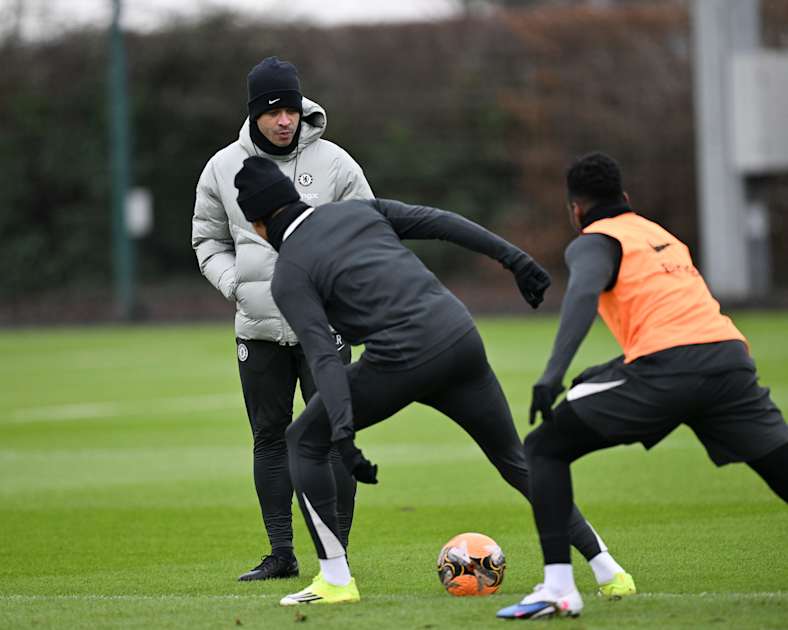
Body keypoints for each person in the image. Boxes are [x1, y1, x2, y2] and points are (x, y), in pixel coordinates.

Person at [232, 155, 636, 606]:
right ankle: (609, 570)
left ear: (258, 222)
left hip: (402, 359)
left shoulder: (289, 273)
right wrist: (516, 260)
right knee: (517, 461)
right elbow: (442, 222)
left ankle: (335, 580)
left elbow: (324, 356)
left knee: (303, 437)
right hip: (459, 336)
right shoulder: (358, 209)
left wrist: (343, 435)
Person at [497, 151, 788, 620]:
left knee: (544, 448)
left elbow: (584, 294)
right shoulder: (661, 237)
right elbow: (678, 322)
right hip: (729, 360)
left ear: (575, 209)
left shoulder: (595, 240)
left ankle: (558, 588)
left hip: (670, 370)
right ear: (625, 198)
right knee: (781, 469)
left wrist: (553, 374)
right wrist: (606, 370)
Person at [192, 56, 374, 581]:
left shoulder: (337, 163)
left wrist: (340, 295)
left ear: (301, 108)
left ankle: (335, 558)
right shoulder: (222, 167)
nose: (284, 120)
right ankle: (281, 555)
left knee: (336, 436)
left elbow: (367, 231)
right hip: (259, 329)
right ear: (254, 114)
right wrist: (236, 288)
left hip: (325, 329)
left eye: (290, 109)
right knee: (269, 438)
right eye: (272, 112)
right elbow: (207, 239)